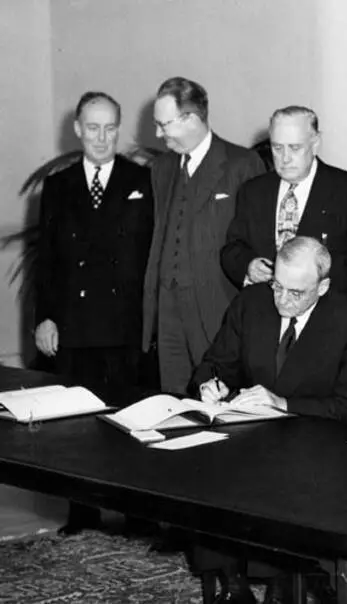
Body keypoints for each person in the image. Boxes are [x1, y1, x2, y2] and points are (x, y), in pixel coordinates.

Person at [190, 236, 347, 603]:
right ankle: (232, 582)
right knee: (204, 469)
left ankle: (281, 585)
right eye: (278, 286)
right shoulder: (251, 303)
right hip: (250, 434)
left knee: (282, 479)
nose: (282, 300)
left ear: (322, 287)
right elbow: (215, 363)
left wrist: (284, 403)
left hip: (315, 441)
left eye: (296, 293)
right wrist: (210, 384)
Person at [35, 91, 154, 535]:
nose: (101, 137)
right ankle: (81, 512)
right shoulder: (58, 186)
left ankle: (138, 516)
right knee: (78, 424)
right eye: (93, 127)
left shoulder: (143, 179)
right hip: (76, 323)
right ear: (77, 129)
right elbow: (46, 259)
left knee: (132, 418)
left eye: (109, 128)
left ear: (117, 130)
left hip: (127, 323)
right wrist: (44, 318)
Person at [142, 77, 265, 395]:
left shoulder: (241, 164)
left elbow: (256, 241)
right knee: (173, 402)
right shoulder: (162, 168)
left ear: (192, 119)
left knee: (219, 404)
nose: (158, 134)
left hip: (218, 308)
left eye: (163, 124)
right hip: (168, 310)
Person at [220, 105, 347, 304]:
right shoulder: (253, 191)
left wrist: (313, 277)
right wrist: (248, 266)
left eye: (295, 147)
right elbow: (233, 248)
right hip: (265, 311)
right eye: (277, 148)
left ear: (315, 144)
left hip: (328, 313)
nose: (285, 158)